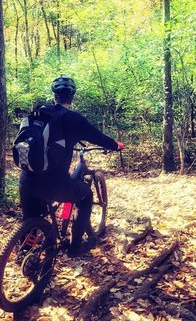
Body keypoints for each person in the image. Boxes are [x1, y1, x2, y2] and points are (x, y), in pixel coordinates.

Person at [18, 75, 124, 257]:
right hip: (54, 184)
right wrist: (116, 145)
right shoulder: (73, 119)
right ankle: (75, 247)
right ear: (72, 96)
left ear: (54, 95)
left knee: (31, 218)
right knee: (86, 197)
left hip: (27, 178)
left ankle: (24, 254)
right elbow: (99, 138)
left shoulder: (38, 113)